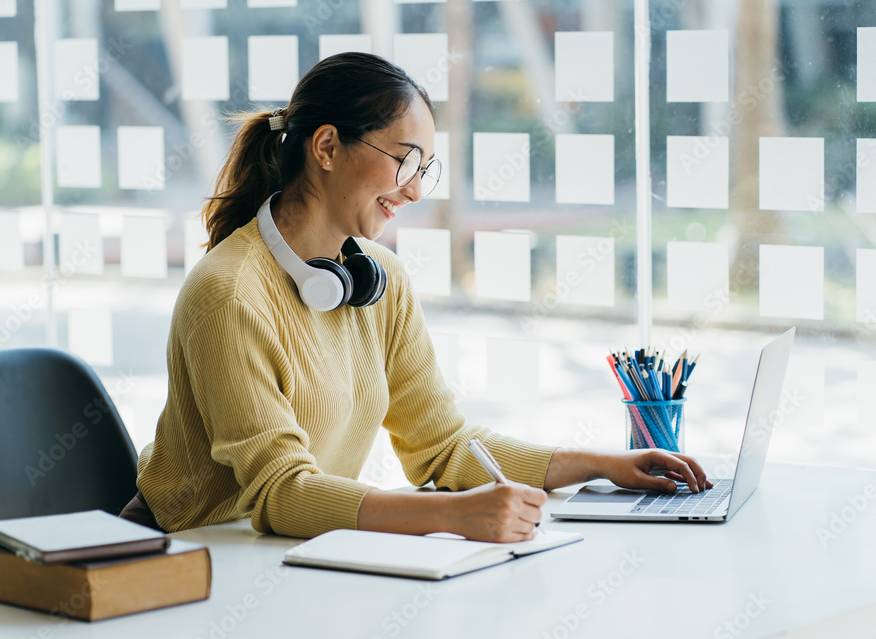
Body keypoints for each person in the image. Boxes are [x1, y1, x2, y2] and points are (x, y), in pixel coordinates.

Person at [120, 52, 712, 543]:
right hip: (191, 553)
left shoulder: (380, 279)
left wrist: (601, 464)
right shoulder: (228, 292)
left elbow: (445, 446)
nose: (414, 190)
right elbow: (279, 493)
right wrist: (454, 516)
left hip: (290, 554)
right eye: (404, 161)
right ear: (326, 148)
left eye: (424, 168)